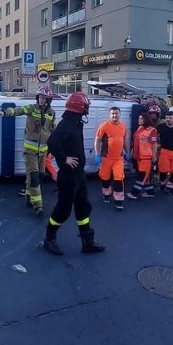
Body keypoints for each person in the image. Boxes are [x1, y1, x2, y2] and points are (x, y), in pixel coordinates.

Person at [43, 91, 104, 255]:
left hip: (78, 175)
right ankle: (49, 239)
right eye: (86, 106)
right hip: (68, 176)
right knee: (63, 209)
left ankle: (87, 242)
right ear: (79, 107)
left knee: (84, 207)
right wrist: (64, 160)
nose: (87, 109)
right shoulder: (67, 124)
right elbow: (52, 142)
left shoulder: (76, 122)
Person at [0, 85, 57, 216]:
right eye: (40, 97)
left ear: (48, 100)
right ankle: (38, 205)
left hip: (43, 151)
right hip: (30, 150)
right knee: (34, 177)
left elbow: (52, 129)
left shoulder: (51, 113)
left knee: (38, 177)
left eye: (44, 98)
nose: (41, 100)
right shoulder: (31, 108)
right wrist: (5, 113)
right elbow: (19, 110)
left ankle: (29, 196)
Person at [94, 106, 128, 210]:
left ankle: (119, 201)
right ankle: (106, 195)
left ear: (119, 114)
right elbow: (97, 140)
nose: (114, 115)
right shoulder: (104, 125)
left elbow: (123, 140)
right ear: (109, 115)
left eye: (116, 113)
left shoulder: (123, 126)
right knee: (105, 177)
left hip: (118, 159)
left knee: (118, 178)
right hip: (106, 158)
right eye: (112, 113)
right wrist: (97, 154)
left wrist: (126, 151)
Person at [127, 112, 158, 200]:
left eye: (141, 118)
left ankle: (134, 193)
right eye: (138, 118)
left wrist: (154, 157)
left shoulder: (152, 130)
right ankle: (150, 192)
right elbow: (135, 142)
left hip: (146, 157)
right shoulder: (139, 128)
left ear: (145, 120)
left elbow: (154, 144)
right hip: (138, 157)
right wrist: (132, 152)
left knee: (142, 175)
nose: (138, 120)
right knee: (145, 176)